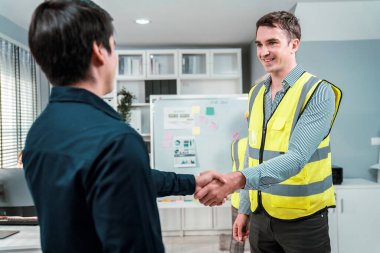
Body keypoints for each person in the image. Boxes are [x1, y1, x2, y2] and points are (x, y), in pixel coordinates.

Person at [24, 1, 223, 252]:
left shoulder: (40, 132)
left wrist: (191, 181)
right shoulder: (115, 141)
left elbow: (114, 181)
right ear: (99, 51)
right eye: (114, 47)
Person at [195, 10, 342, 253]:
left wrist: (235, 181)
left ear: (294, 44)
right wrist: (244, 210)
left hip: (303, 221)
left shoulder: (318, 92)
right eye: (259, 44)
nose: (264, 52)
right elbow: (250, 153)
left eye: (272, 42)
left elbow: (296, 158)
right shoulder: (255, 94)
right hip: (261, 218)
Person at [229, 136, 249, 253]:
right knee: (258, 240)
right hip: (255, 198)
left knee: (237, 236)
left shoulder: (235, 144)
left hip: (237, 197)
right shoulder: (261, 142)